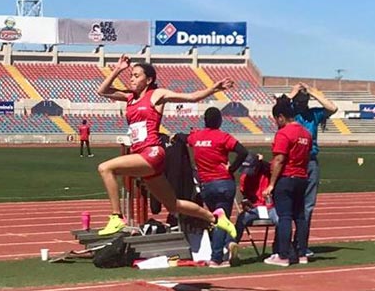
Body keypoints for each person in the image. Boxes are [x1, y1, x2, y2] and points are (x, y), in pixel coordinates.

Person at [94, 54, 238, 239]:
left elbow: (191, 98)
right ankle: (216, 218)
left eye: (136, 75)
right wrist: (118, 69)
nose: (131, 78)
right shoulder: (129, 97)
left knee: (105, 168)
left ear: (149, 79)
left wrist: (213, 89)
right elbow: (102, 90)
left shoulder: (157, 95)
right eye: (131, 75)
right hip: (142, 154)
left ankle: (116, 217)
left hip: (152, 152)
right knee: (173, 205)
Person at [187, 107, 249, 267]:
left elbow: (184, 138)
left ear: (205, 121)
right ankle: (221, 252)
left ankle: (223, 250)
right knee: (223, 219)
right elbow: (242, 152)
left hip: (207, 185)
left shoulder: (196, 137)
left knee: (217, 219)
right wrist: (232, 168)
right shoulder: (223, 137)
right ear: (220, 121)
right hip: (224, 182)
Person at [263, 95, 312, 266]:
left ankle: (283, 255)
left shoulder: (283, 133)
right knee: (300, 217)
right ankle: (302, 253)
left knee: (284, 216)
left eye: (276, 119)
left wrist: (271, 184)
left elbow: (279, 160)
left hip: (286, 177)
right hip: (302, 176)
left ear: (281, 117)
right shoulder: (306, 133)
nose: (276, 123)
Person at [289, 83, 337, 257]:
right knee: (288, 205)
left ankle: (301, 243)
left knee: (308, 206)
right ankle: (285, 243)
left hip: (310, 161)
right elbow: (278, 108)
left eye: (304, 99)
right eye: (299, 100)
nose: (302, 103)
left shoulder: (313, 114)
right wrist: (292, 93)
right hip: (292, 162)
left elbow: (332, 108)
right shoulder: (290, 112)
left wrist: (313, 92)